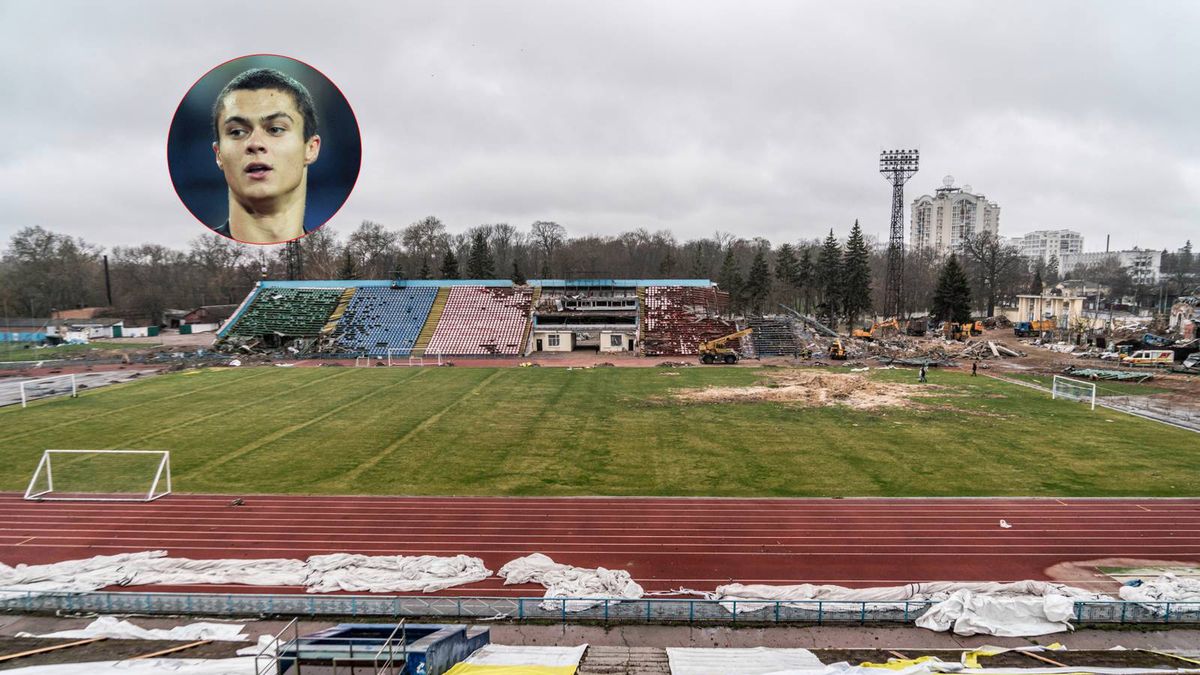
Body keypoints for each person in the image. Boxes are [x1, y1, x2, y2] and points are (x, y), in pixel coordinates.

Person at [211, 68, 321, 244]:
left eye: (275, 129)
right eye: (237, 132)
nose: (255, 143)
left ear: (310, 148)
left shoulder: (322, 250)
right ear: (219, 155)